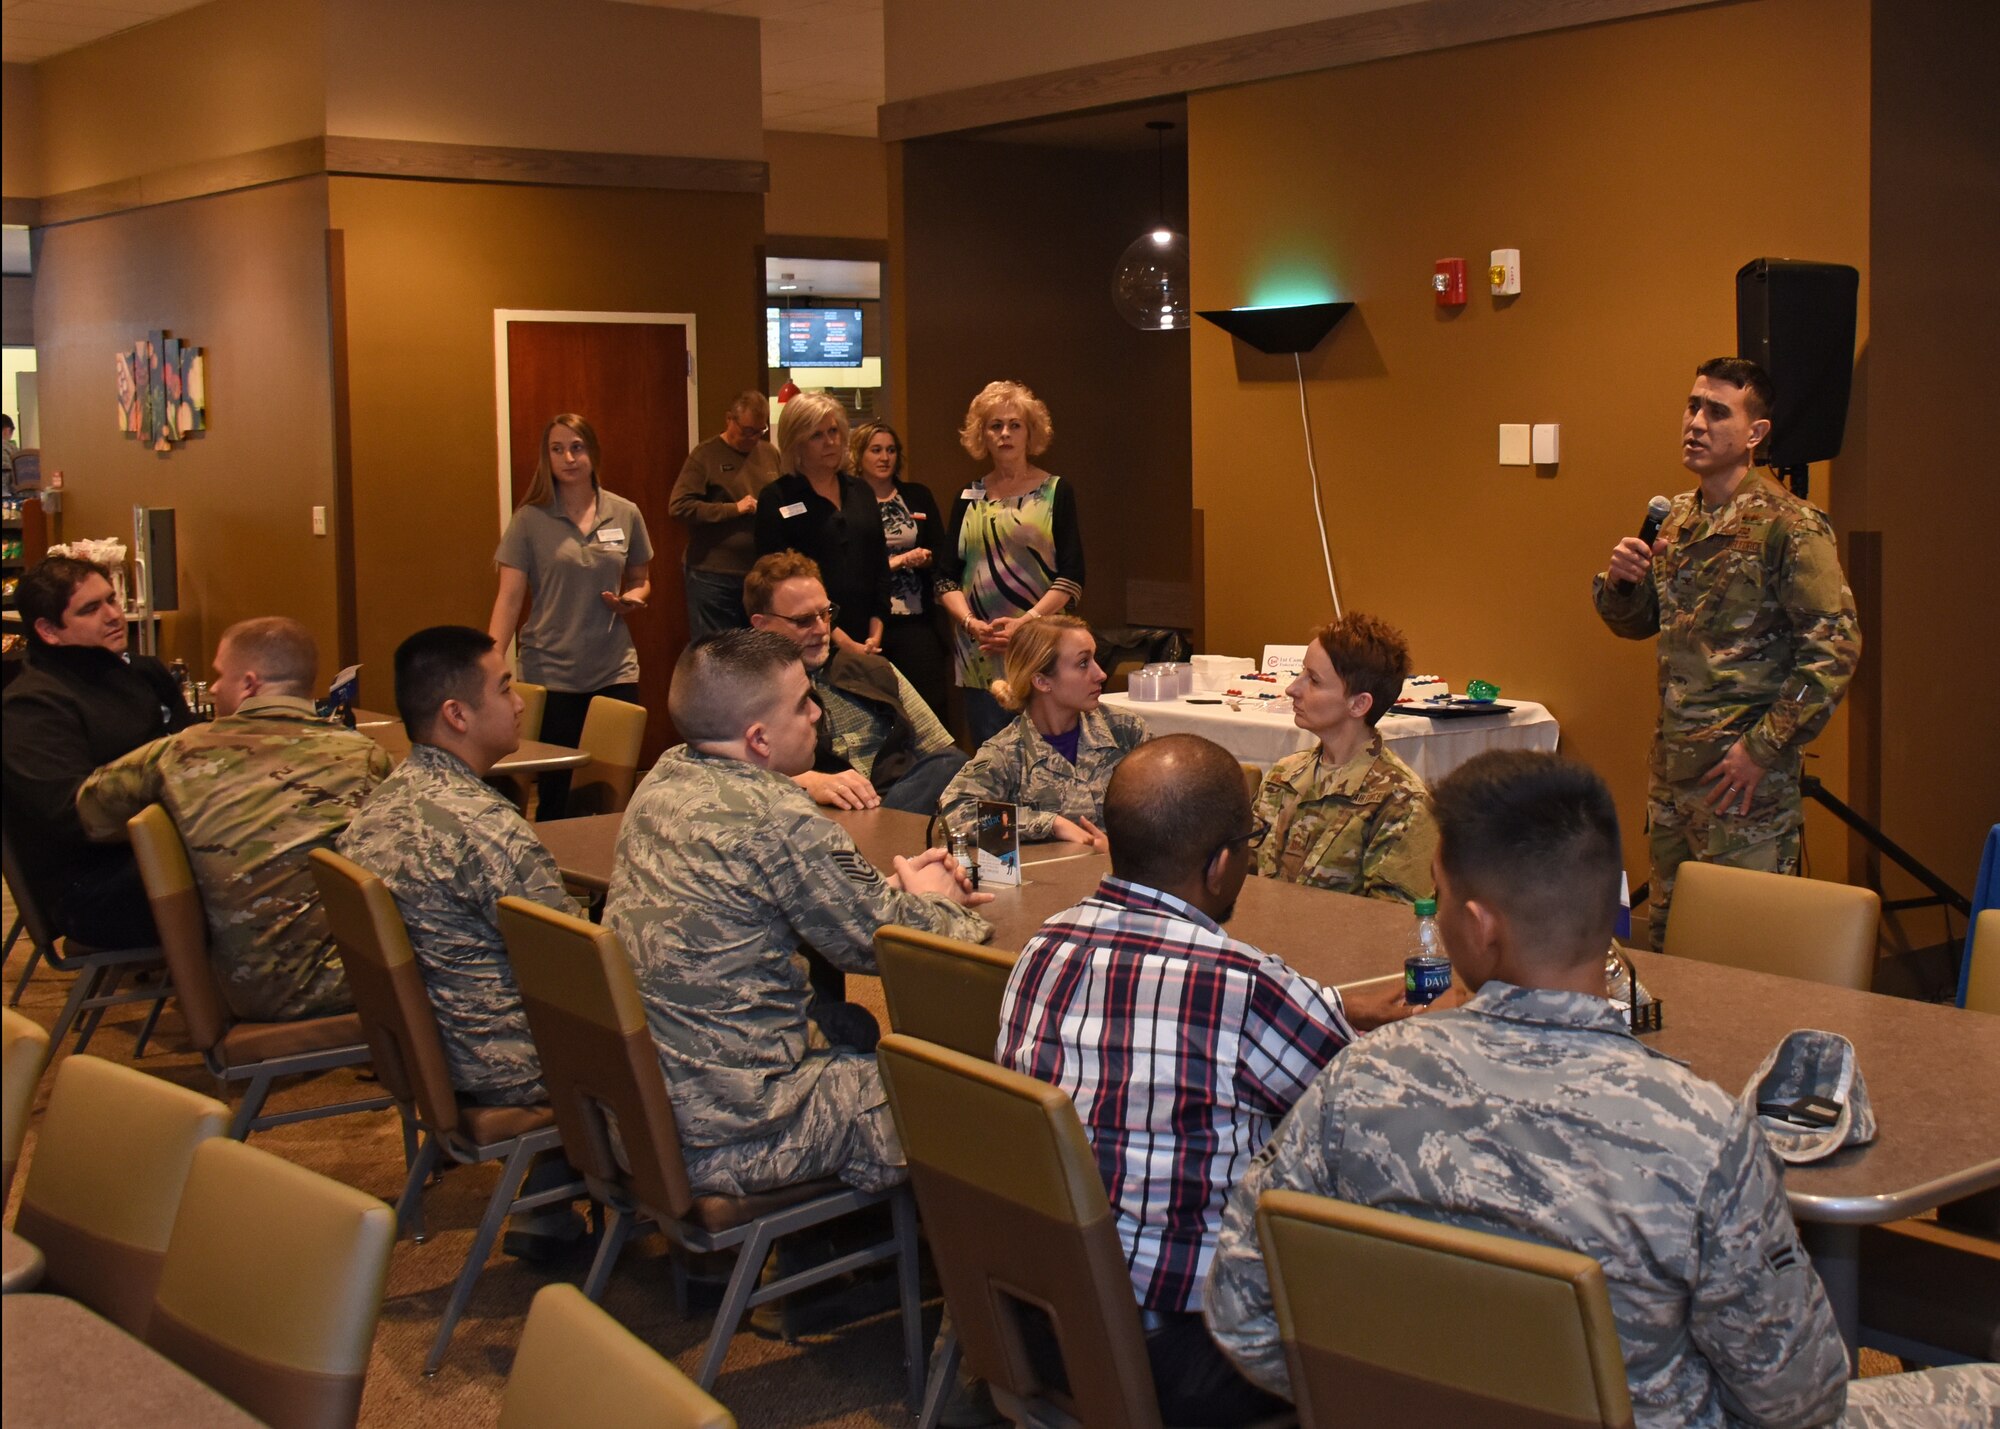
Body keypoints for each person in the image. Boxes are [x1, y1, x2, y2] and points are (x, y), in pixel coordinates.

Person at [1204, 750, 1998, 1427]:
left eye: (1439, 893)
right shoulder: (1700, 1132)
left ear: (1481, 926)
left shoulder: (1358, 1084)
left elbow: (1241, 1311)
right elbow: (1801, 1398)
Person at [1001, 734, 1419, 1426]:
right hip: (1181, 1360)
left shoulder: (1044, 947)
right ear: (1222, 863)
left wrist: (1331, 1003)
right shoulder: (1242, 986)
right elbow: (1375, 1123)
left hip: (1039, 1320)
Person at [603, 630, 992, 1198]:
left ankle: (836, 1252)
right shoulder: (778, 815)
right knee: (974, 1100)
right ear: (759, 739)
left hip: (646, 1105)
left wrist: (876, 891)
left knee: (853, 1027)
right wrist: (937, 899)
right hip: (738, 1130)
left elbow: (782, 894)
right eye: (803, 703)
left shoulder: (663, 780)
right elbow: (885, 942)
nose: (818, 714)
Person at [338, 625, 588, 1257]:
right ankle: (708, 1249)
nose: (520, 701)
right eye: (505, 687)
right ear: (456, 714)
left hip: (424, 1049)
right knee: (688, 1014)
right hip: (501, 1059)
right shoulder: (486, 829)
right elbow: (579, 961)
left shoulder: (378, 808)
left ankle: (548, 1209)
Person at [1595, 357, 1860, 948]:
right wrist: (1622, 585)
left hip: (1743, 787)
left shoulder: (1791, 527)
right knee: (1670, 947)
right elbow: (1641, 626)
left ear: (1756, 435)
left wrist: (1761, 751)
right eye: (1692, 406)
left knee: (1742, 959)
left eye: (1717, 412)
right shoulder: (1679, 519)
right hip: (1674, 777)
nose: (1696, 422)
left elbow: (1834, 650)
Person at [76, 617, 391, 1021]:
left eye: (219, 675)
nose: (212, 688)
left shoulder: (175, 755)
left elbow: (92, 810)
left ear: (249, 684)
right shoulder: (364, 757)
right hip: (328, 982)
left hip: (240, 982)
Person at [1, 555, 191, 949]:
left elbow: (192, 752)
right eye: (91, 609)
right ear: (49, 631)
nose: (112, 616)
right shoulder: (31, 707)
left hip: (154, 850)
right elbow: (73, 815)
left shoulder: (142, 672)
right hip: (88, 886)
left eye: (112, 600)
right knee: (244, 866)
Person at [488, 412, 654, 819]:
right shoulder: (530, 519)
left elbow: (641, 579)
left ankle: (600, 876)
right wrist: (490, 662)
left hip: (614, 668)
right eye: (558, 449)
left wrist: (632, 599)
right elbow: (508, 599)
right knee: (558, 795)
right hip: (552, 670)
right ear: (548, 458)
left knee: (608, 791)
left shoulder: (625, 512)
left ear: (592, 453)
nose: (569, 458)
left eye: (577, 448)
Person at [744, 552, 967, 816]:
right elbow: (734, 782)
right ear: (761, 625)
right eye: (803, 620)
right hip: (822, 816)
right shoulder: (747, 693)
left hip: (901, 802)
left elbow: (940, 751)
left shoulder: (875, 668)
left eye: (825, 614)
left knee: (951, 762)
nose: (821, 629)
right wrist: (804, 783)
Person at [936, 381, 1086, 747]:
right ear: (982, 435)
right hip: (980, 654)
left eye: (1014, 425)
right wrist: (971, 624)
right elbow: (944, 578)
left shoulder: (1055, 491)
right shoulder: (967, 495)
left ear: (1029, 432)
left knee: (1047, 753)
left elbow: (1072, 577)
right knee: (992, 760)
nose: (1005, 434)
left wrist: (1025, 624)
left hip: (1039, 648)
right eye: (995, 425)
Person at [1251, 613, 1438, 905]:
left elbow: (1391, 925)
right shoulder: (1283, 776)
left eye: (1313, 680)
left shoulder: (1402, 803)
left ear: (1359, 704)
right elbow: (1244, 878)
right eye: (1301, 673)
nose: (1292, 689)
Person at [939, 615, 1144, 847]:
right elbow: (954, 816)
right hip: (1056, 878)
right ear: (1042, 681)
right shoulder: (1009, 753)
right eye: (1083, 663)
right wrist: (1051, 823)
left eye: (1094, 659)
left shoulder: (1124, 730)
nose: (1101, 674)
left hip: (1130, 877)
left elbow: (1172, 806)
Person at [754, 391, 888, 656]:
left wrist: (876, 631)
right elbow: (779, 582)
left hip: (872, 637)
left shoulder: (861, 491)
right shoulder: (777, 498)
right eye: (817, 435)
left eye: (834, 431)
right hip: (809, 639)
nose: (830, 442)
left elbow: (879, 564)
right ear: (796, 443)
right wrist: (843, 641)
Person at [849, 418, 950, 721]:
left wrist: (925, 558)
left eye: (891, 450)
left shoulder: (916, 495)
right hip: (867, 620)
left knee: (928, 704)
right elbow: (850, 562)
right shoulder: (848, 500)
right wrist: (896, 562)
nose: (884, 458)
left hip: (914, 616)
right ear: (859, 456)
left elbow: (940, 550)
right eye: (876, 450)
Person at [669, 390, 780, 640]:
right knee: (716, 655)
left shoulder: (770, 454)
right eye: (747, 430)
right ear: (729, 419)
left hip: (758, 575)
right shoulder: (705, 455)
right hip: (713, 575)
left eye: (760, 431)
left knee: (756, 653)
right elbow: (679, 507)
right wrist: (733, 509)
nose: (753, 438)